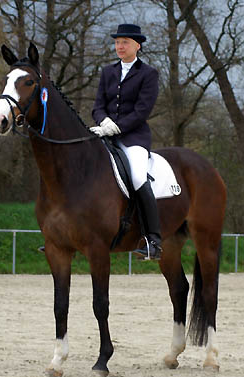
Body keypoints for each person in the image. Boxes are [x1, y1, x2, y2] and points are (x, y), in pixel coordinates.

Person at [91, 23, 161, 260]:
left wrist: (118, 127)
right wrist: (104, 122)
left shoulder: (149, 74)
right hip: (105, 134)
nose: (120, 46)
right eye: (117, 42)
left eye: (125, 42)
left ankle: (153, 240)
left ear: (136, 45)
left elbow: (142, 111)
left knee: (139, 177)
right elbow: (98, 106)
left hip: (134, 138)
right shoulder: (107, 72)